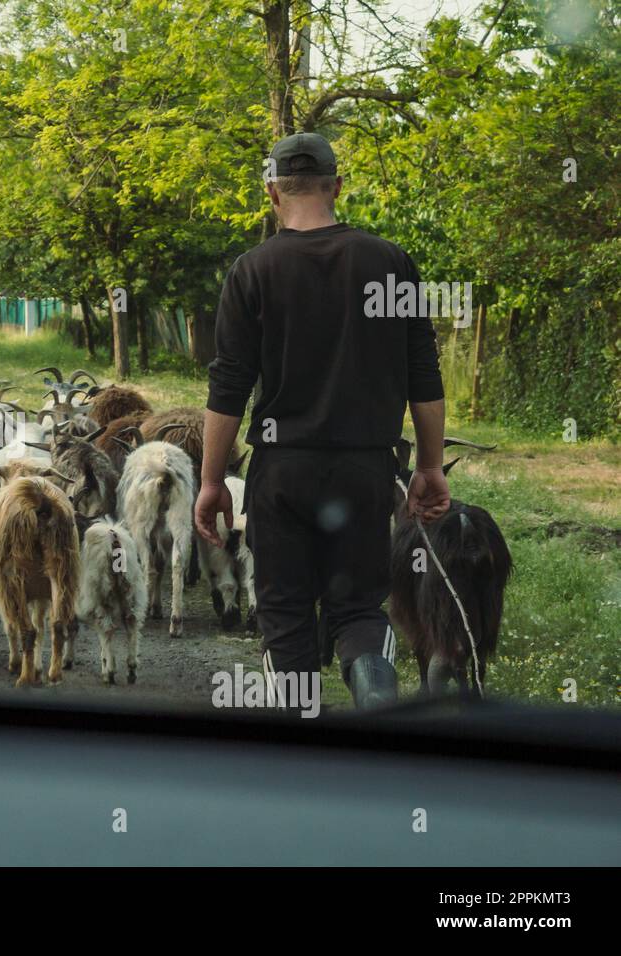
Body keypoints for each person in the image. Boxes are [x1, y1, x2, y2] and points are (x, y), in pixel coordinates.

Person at [193, 132, 449, 713]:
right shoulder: (390, 262)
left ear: (271, 193)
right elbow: (424, 379)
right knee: (359, 610)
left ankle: (299, 758)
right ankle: (377, 705)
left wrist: (211, 482)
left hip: (282, 473)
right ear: (337, 186)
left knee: (285, 616)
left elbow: (228, 389)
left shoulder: (250, 270)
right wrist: (430, 467)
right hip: (364, 470)